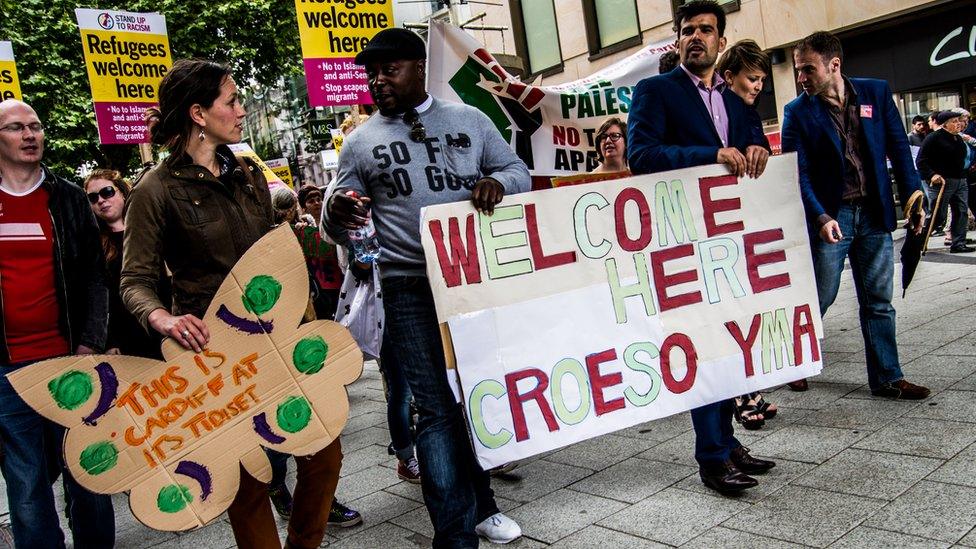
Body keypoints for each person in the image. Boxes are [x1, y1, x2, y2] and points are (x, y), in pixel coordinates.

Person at [120, 59, 343, 549]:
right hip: (215, 358)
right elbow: (134, 281)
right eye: (232, 101)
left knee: (324, 455)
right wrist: (165, 318)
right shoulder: (154, 190)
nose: (242, 110)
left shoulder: (247, 173)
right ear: (198, 113)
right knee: (248, 483)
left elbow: (272, 248)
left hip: (276, 341)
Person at [322, 27, 528, 546]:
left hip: (469, 283)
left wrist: (497, 183)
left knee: (474, 394)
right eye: (371, 73)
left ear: (418, 67)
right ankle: (454, 534)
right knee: (434, 407)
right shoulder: (361, 141)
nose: (378, 80)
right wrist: (337, 211)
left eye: (389, 69)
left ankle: (483, 504)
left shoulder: (468, 119)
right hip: (408, 287)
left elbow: (517, 170)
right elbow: (335, 217)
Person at [627, 0, 775, 495]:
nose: (696, 37)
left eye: (706, 30)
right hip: (684, 242)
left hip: (732, 241)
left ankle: (730, 445)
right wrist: (708, 155)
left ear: (720, 42)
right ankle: (712, 458)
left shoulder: (736, 100)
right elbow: (642, 156)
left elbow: (757, 148)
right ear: (677, 40)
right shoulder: (656, 91)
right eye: (687, 30)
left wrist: (759, 150)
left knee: (733, 341)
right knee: (705, 348)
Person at [782, 31, 930, 400]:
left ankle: (887, 377)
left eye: (807, 70)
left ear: (834, 65)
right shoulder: (797, 112)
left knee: (879, 299)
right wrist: (818, 216)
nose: (801, 78)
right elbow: (795, 174)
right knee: (820, 296)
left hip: (874, 213)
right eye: (798, 71)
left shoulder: (875, 94)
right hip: (832, 217)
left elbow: (898, 147)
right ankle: (794, 362)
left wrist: (914, 196)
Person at [0, 99, 115, 548]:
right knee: (26, 487)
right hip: (8, 372)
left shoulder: (67, 199)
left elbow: (94, 278)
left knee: (89, 474)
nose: (29, 135)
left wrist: (89, 343)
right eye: (15, 128)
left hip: (70, 361)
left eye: (35, 126)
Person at [715, 39, 779, 429]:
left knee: (743, 309)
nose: (757, 86)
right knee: (732, 311)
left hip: (741, 218)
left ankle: (749, 389)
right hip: (721, 221)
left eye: (760, 81)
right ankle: (742, 394)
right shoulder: (721, 106)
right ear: (729, 77)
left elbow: (760, 152)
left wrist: (761, 151)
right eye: (751, 79)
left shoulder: (748, 110)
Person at [84, 169, 167, 359]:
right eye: (93, 197)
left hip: (165, 321)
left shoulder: (153, 229)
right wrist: (109, 341)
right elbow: (99, 299)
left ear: (122, 191)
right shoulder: (93, 246)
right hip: (127, 339)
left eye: (107, 192)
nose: (101, 200)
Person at [917, 110, 972, 253]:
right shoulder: (933, 138)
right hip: (942, 182)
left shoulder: (958, 138)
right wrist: (932, 175)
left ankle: (958, 243)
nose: (958, 124)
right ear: (944, 125)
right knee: (938, 215)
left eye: (958, 121)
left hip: (960, 180)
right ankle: (920, 241)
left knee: (961, 211)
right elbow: (921, 161)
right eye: (954, 122)